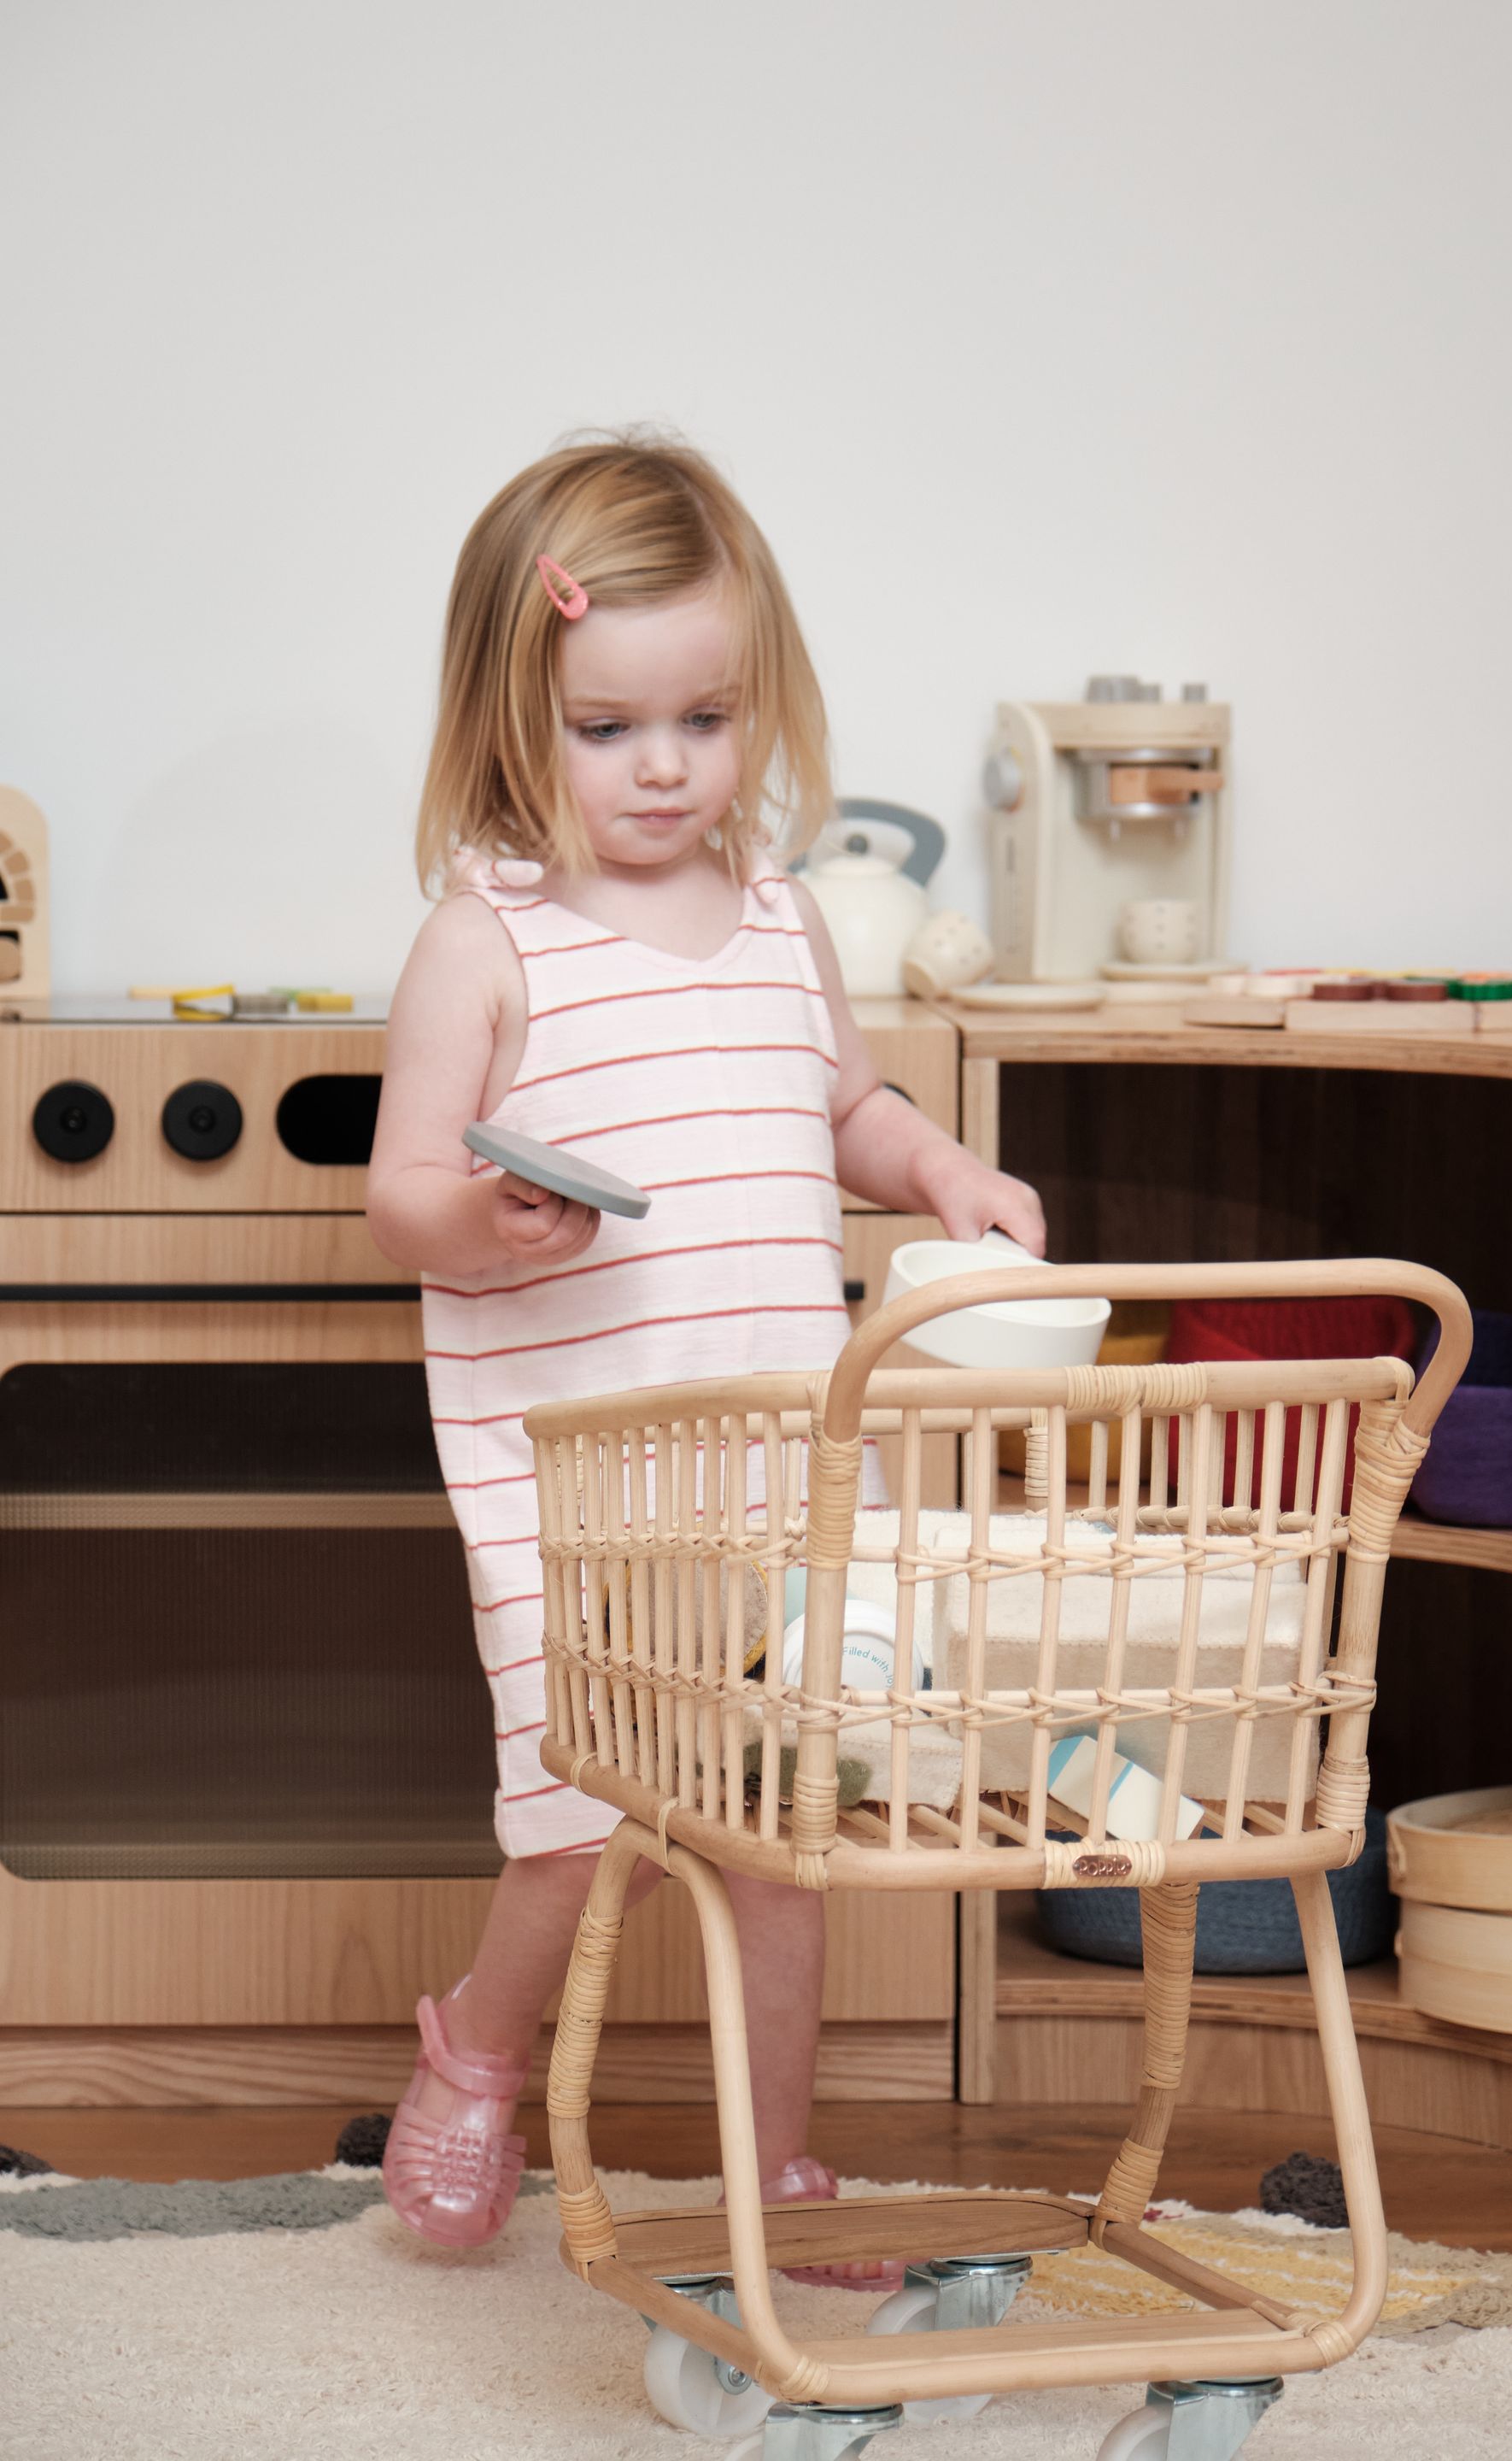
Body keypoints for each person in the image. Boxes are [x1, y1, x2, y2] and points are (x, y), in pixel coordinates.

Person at [366, 434, 1044, 2256]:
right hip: (572, 1476)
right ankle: (480, 2053)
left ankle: (779, 2165)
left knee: (781, 1820)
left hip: (774, 1468)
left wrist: (940, 1166)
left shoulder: (778, 920)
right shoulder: (485, 941)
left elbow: (848, 1105)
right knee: (576, 1818)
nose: (662, 767)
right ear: (515, 717)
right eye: (605, 729)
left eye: (705, 719)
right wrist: (484, 1225)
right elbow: (403, 1194)